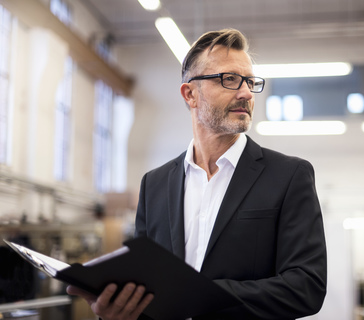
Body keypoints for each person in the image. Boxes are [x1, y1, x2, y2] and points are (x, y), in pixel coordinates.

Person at [68, 28, 327, 320]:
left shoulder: (289, 176)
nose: (245, 93)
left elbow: (307, 287)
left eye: (250, 82)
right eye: (229, 79)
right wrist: (117, 311)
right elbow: (148, 289)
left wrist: (200, 295)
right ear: (190, 94)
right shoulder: (154, 184)